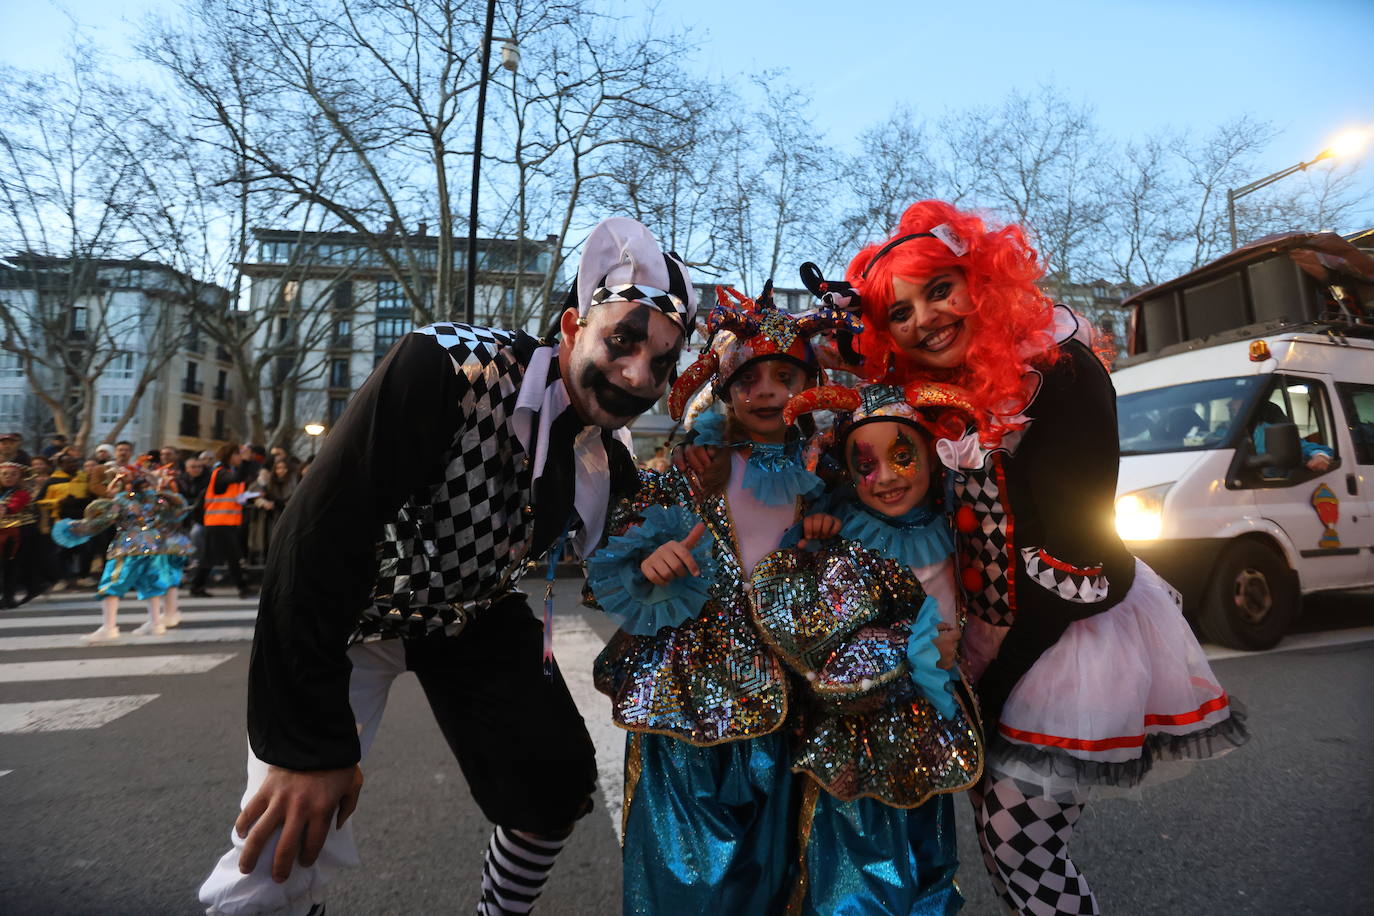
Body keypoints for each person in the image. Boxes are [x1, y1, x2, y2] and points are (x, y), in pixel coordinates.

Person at [198, 217, 697, 916]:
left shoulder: (601, 457)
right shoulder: (446, 365)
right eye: (623, 340)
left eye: (662, 362)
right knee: (284, 843)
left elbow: (631, 561)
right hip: (358, 612)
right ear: (570, 325)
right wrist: (306, 746)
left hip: (471, 617)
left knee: (553, 784)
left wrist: (664, 550)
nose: (638, 375)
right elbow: (314, 539)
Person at [816, 199, 1248, 915]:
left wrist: (991, 674)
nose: (924, 318)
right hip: (1000, 637)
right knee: (1006, 846)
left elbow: (1083, 559)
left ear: (980, 280)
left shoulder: (1062, 371)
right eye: (899, 313)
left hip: (1070, 635)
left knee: (1021, 843)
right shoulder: (943, 398)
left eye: (939, 290)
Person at [587, 284, 856, 913]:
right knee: (686, 881)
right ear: (726, 392)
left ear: (810, 386)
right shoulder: (691, 468)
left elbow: (868, 564)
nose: (765, 392)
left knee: (774, 876)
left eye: (785, 376)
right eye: (748, 379)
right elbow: (616, 563)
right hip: (686, 712)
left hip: (790, 708)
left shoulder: (831, 474)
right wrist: (649, 562)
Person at [749, 381, 984, 914]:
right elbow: (828, 658)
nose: (887, 479)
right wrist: (918, 651)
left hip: (933, 732)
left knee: (931, 868)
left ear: (932, 455)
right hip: (859, 743)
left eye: (903, 456)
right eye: (866, 466)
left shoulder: (955, 526)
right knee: (855, 879)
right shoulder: (846, 542)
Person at [51, 461, 191, 642]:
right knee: (152, 582)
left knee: (111, 584)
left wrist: (73, 528)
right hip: (155, 546)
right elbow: (177, 512)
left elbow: (99, 523)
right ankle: (156, 623)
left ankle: (109, 627)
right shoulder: (157, 498)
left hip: (128, 547)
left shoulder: (121, 500)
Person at [188, 442, 251, 599]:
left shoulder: (226, 472)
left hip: (222, 522)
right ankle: (242, 588)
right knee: (233, 555)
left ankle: (197, 586)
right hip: (220, 522)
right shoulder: (222, 473)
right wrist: (247, 461)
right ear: (230, 456)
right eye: (237, 454)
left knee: (210, 556)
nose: (240, 458)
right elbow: (237, 478)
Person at [0, 461, 39, 608]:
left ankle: (8, 598)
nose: (8, 477)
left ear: (19, 477)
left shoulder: (22, 493)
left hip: (16, 534)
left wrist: (4, 510)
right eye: (4, 474)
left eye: (13, 474)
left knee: (11, 566)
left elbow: (12, 508)